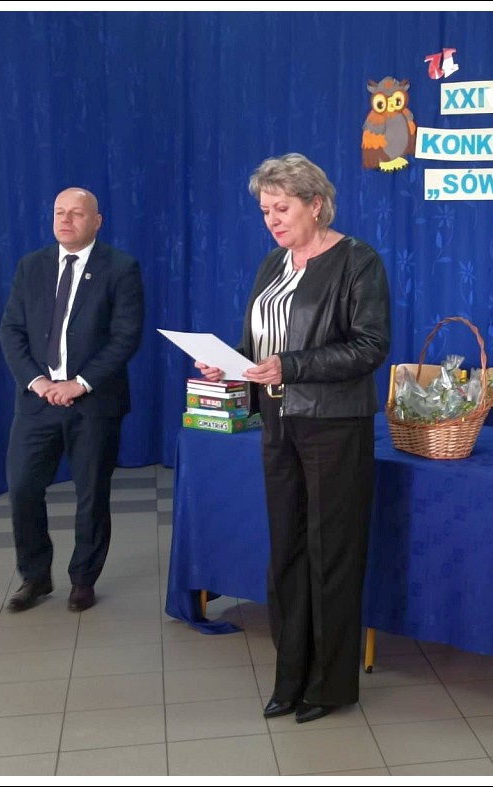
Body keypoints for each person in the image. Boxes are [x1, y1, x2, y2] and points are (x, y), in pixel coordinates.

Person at [196, 153, 391, 724]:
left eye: (282, 208)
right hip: (278, 421)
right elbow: (261, 343)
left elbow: (370, 347)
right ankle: (290, 676)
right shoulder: (272, 264)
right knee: (286, 550)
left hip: (333, 424)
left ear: (316, 205)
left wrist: (292, 366)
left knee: (332, 555)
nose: (272, 220)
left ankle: (330, 685)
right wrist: (232, 365)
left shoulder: (358, 261)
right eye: (265, 211)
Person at [0, 187, 144, 614]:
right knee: (23, 487)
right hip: (38, 400)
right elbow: (11, 330)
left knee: (91, 495)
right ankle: (35, 576)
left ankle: (83, 579)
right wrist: (37, 382)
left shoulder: (121, 268)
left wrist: (80, 383)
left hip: (93, 403)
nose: (65, 220)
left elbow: (125, 336)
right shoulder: (31, 266)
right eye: (59, 212)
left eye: (76, 213)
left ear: (96, 221)